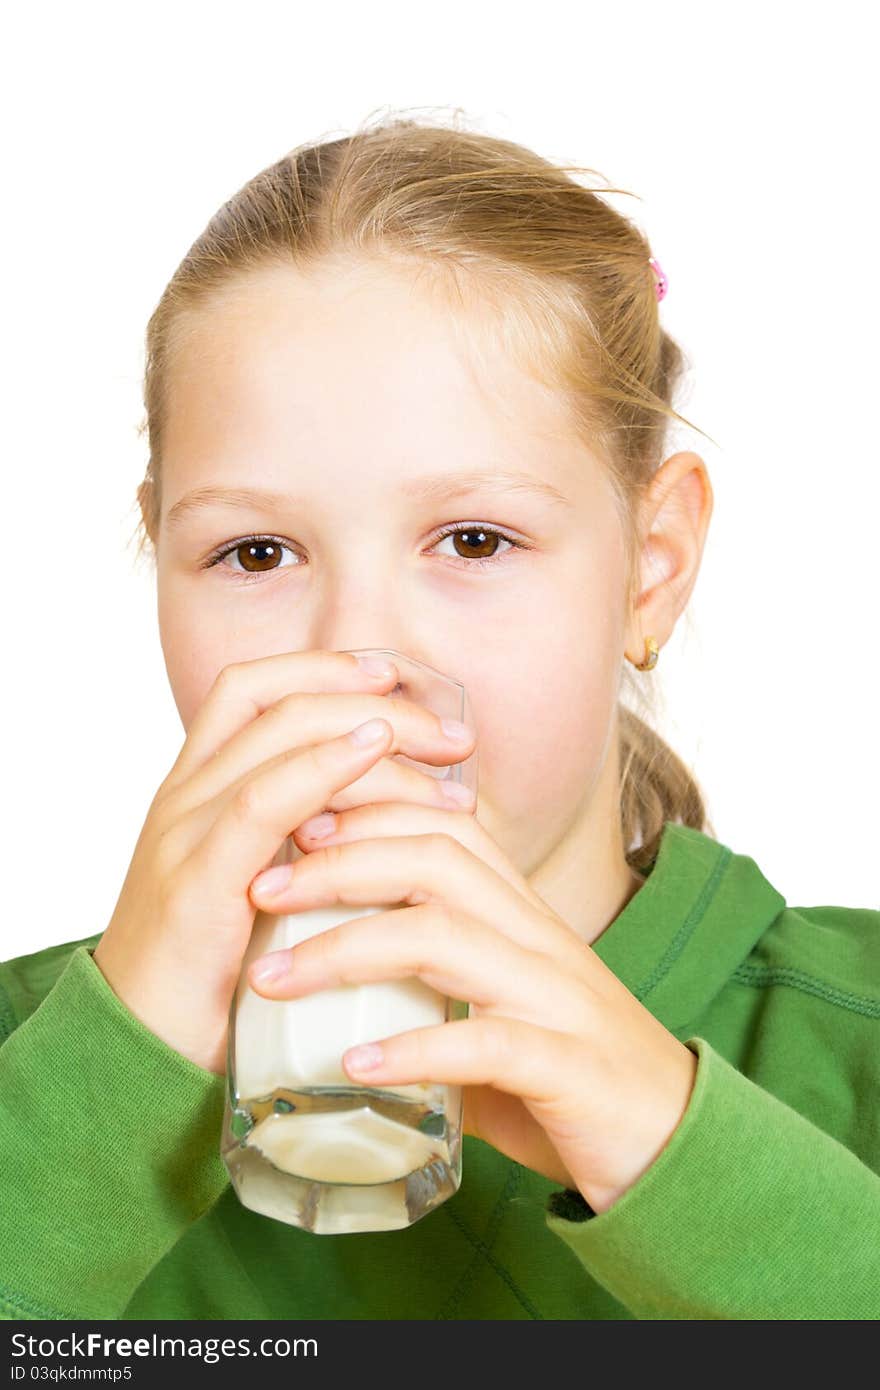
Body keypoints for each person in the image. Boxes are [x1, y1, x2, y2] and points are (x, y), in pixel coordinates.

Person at [1, 112, 877, 1323]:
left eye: (475, 540)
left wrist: (674, 1150)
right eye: (255, 550)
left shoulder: (855, 1045)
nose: (362, 658)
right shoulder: (23, 1066)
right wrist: (102, 1090)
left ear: (652, 565)